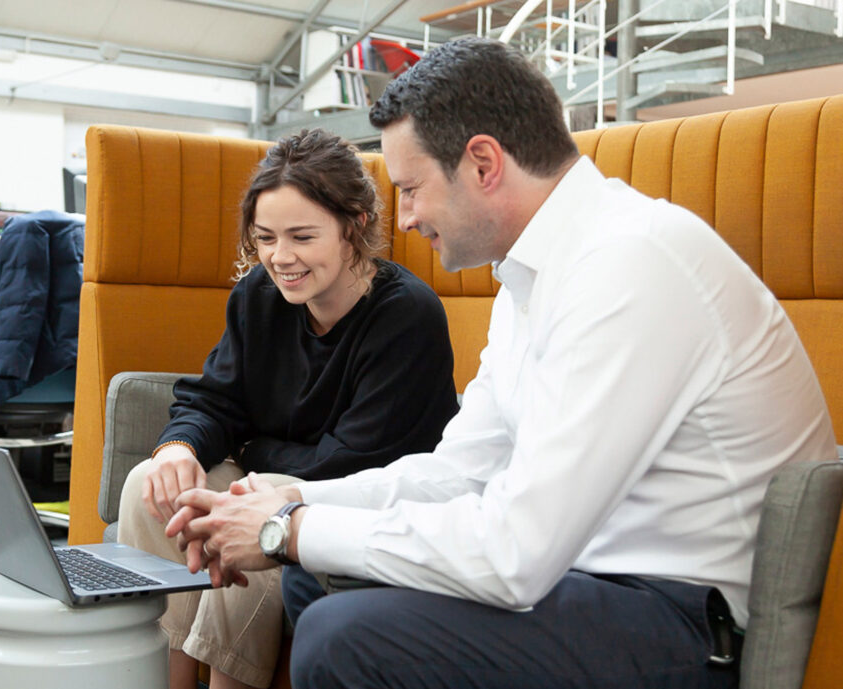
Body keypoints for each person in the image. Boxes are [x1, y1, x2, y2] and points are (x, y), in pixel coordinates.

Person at [165, 37, 838, 689]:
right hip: (589, 582)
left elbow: (515, 553)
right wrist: (298, 498)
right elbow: (461, 472)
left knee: (344, 632)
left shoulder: (629, 266)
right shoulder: (535, 279)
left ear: (483, 163)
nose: (403, 218)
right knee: (320, 575)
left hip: (678, 617)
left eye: (412, 188)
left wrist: (288, 530)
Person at [116, 128, 459, 689]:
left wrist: (251, 453)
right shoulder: (258, 294)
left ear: (357, 226)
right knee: (147, 484)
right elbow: (214, 401)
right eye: (266, 237)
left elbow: (350, 464)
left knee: (253, 502)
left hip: (351, 508)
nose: (281, 258)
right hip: (273, 481)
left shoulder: (407, 317)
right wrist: (176, 447)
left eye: (302, 236)